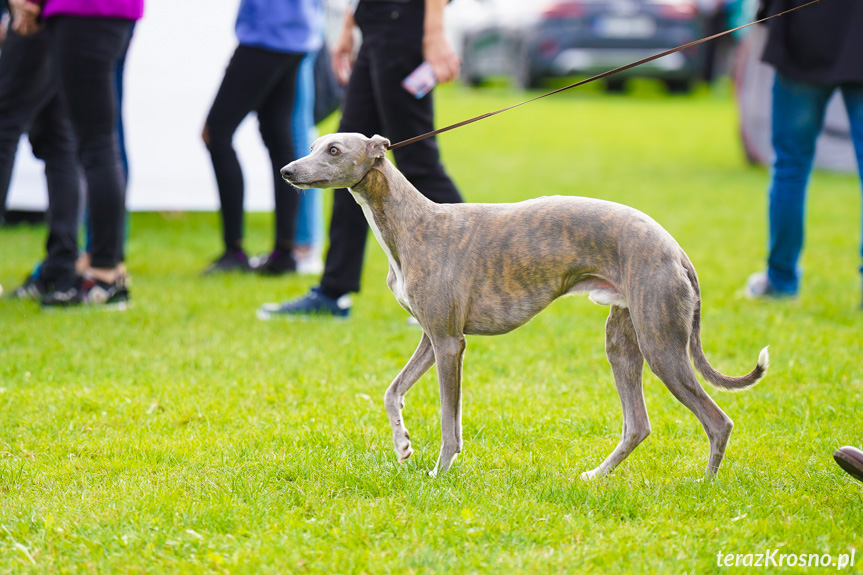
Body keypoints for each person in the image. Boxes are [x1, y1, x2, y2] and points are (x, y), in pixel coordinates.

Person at [257, 0, 463, 319]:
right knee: (346, 166)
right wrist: (351, 24)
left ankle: (465, 281)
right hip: (377, 24)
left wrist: (434, 32)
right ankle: (333, 292)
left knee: (419, 163)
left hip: (404, 24)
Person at [744, 0, 863, 305]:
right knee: (789, 168)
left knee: (789, 169)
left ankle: (781, 281)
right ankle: (780, 278)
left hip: (803, 43)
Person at [202, 0, 324, 275]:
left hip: (269, 31)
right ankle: (284, 253)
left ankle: (235, 251)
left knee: (217, 134)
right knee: (279, 140)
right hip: (296, 32)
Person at [0, 4, 81, 301]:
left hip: (37, 12)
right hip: (64, 16)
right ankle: (61, 267)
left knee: (4, 124)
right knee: (59, 137)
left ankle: (63, 263)